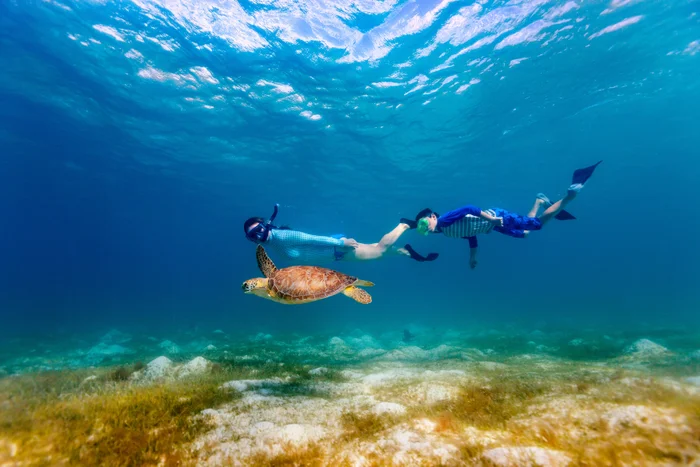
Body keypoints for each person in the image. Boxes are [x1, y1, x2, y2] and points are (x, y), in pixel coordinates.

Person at [405, 161, 601, 269]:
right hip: (494, 226)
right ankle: (539, 201)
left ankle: (570, 194)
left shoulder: (445, 219)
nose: (427, 229)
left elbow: (469, 208)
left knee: (536, 225)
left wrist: (490, 218)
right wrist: (472, 257)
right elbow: (471, 237)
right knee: (525, 233)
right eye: (424, 230)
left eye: (425, 223)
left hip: (496, 217)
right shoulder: (446, 232)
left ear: (432, 217)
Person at [243, 205, 438, 264]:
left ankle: (403, 225)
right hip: (334, 253)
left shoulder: (281, 237)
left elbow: (312, 239)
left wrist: (341, 242)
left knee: (379, 250)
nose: (258, 236)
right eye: (252, 236)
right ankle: (406, 252)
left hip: (337, 248)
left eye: (257, 230)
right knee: (374, 250)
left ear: (264, 225)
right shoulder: (274, 243)